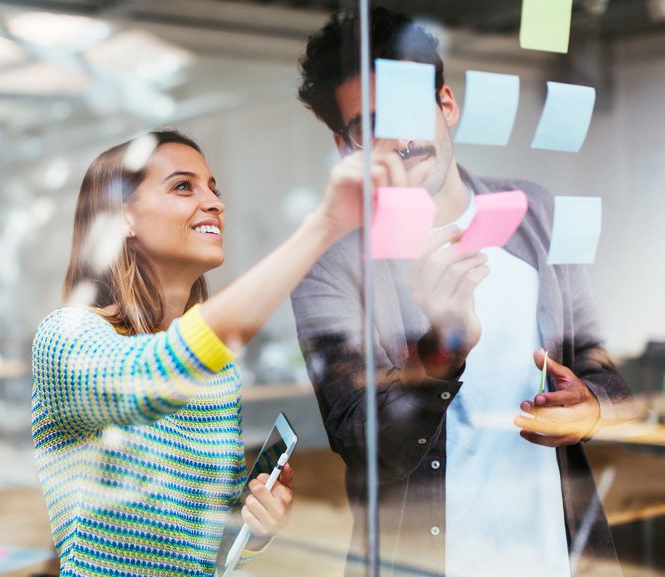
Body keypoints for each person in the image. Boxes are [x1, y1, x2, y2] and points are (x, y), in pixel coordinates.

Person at [291, 7, 634, 577]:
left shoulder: (535, 213)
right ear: (346, 143)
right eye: (369, 124)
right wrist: (440, 352)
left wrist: (592, 404)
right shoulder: (330, 267)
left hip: (558, 559)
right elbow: (363, 444)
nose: (398, 139)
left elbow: (599, 364)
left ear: (445, 104)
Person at [31, 129, 381, 577]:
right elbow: (150, 379)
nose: (216, 203)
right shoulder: (65, 337)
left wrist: (257, 530)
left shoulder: (219, 375)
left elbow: (214, 552)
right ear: (122, 219)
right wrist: (321, 227)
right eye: (183, 186)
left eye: (214, 189)